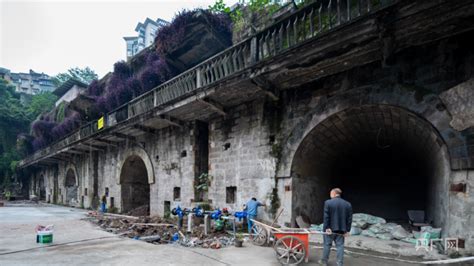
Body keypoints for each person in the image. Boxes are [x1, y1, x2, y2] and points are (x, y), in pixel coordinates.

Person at [319, 188, 352, 266]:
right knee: (340, 246)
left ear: (334, 193)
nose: (330, 196)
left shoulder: (328, 203)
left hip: (330, 229)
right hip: (341, 230)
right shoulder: (347, 204)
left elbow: (326, 217)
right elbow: (349, 218)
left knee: (327, 245)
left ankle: (324, 262)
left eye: (330, 194)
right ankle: (340, 263)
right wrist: (347, 230)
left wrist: (327, 227)